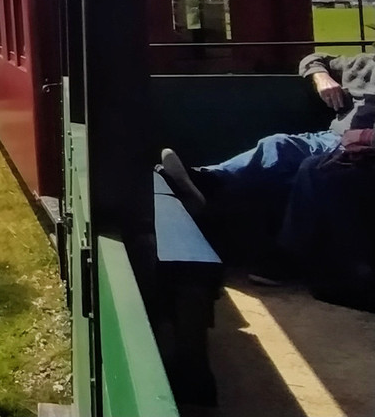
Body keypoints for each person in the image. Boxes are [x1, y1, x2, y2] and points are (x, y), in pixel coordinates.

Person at [159, 52, 375, 290]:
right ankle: (205, 182)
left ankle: (289, 255)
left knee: (313, 171)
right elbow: (313, 58)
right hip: (331, 138)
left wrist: (366, 137)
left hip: (366, 147)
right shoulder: (361, 64)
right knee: (278, 144)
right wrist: (320, 76)